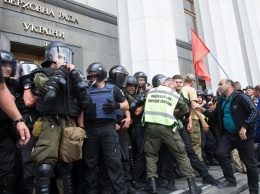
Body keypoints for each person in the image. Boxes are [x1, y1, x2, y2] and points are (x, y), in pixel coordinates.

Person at [32, 41, 91, 194]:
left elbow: (85, 101)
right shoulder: (41, 73)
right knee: (44, 166)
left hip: (69, 122)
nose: (63, 57)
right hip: (51, 122)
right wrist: (60, 72)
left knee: (66, 166)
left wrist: (76, 76)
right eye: (59, 55)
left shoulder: (72, 76)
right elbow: (46, 88)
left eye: (65, 55)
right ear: (51, 56)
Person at [197, 78, 259, 194]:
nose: (219, 86)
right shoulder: (221, 100)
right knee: (220, 154)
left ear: (229, 85)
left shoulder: (240, 97)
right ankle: (230, 179)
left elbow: (254, 111)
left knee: (250, 164)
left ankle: (254, 190)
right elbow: (214, 115)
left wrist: (244, 127)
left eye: (221, 84)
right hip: (228, 135)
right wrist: (203, 111)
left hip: (243, 136)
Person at [143, 77, 202, 194]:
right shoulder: (173, 94)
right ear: (169, 84)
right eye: (174, 86)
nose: (175, 88)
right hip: (167, 127)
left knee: (151, 155)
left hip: (151, 127)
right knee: (181, 154)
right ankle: (192, 186)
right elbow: (185, 110)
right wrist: (174, 111)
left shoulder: (151, 91)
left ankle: (152, 186)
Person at [79, 62, 128, 194]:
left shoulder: (113, 88)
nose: (90, 76)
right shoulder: (86, 90)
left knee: (114, 162)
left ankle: (120, 191)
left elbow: (126, 105)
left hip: (108, 128)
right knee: (90, 164)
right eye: (88, 73)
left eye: (92, 73)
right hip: (90, 129)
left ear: (100, 74)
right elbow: (82, 111)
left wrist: (116, 106)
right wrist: (82, 127)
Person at [0, 50, 30, 193]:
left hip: (7, 132)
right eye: (3, 64)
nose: (7, 68)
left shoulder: (15, 85)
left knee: (8, 170)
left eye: (10, 65)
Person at [181, 74, 209, 161]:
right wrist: (203, 121)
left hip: (183, 119)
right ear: (192, 82)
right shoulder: (191, 89)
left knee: (187, 144)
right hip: (192, 119)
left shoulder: (180, 89)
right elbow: (194, 106)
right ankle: (198, 166)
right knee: (196, 144)